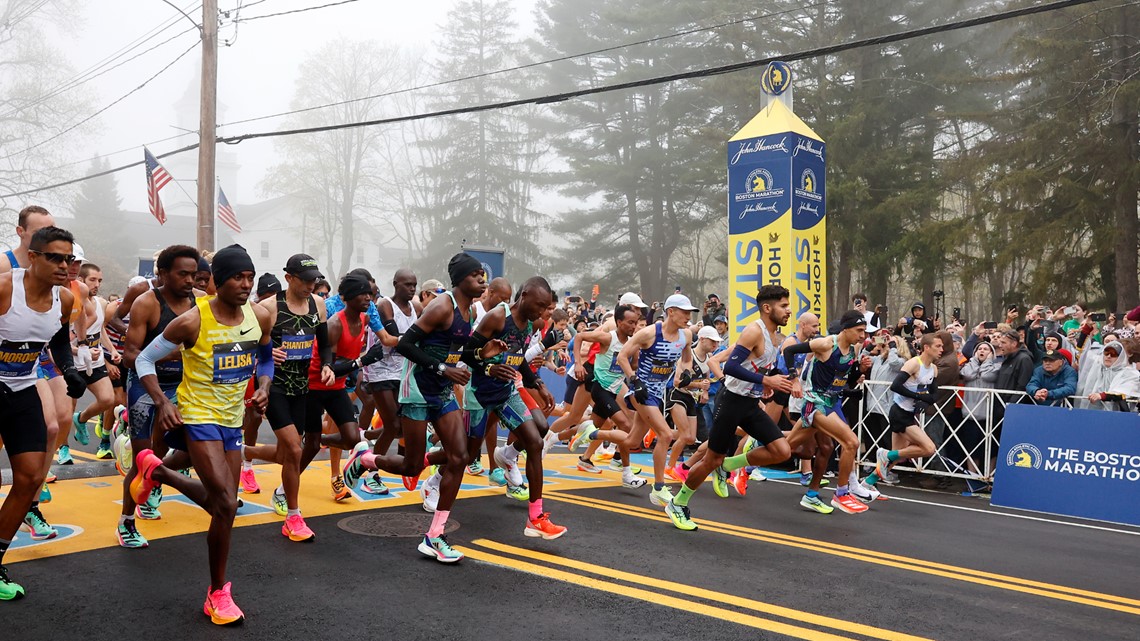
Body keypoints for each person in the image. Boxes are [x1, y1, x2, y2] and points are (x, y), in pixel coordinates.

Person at [131, 244, 273, 625]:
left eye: (250, 278)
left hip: (231, 420)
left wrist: (263, 386)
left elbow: (265, 355)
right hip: (197, 416)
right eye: (237, 278)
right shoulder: (193, 321)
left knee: (221, 509)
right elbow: (143, 358)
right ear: (215, 283)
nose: (245, 285)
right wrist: (162, 402)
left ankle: (157, 471)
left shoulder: (259, 315)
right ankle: (217, 593)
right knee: (227, 503)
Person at [343, 253, 485, 563]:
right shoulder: (442, 306)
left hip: (442, 391)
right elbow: (405, 345)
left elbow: (461, 351)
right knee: (410, 466)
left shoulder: (470, 311)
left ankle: (434, 536)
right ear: (460, 279)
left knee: (460, 456)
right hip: (418, 388)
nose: (482, 281)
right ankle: (366, 460)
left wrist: (484, 356)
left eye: (483, 276)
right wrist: (442, 369)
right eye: (476, 276)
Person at [0, 226, 85, 601]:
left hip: (21, 392)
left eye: (68, 258)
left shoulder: (65, 299)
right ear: (32, 257)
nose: (64, 265)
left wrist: (69, 370)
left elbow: (57, 339)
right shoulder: (5, 288)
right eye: (54, 257)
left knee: (31, 477)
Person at [664, 285, 794, 531]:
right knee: (710, 459)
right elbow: (732, 368)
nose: (789, 311)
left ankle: (730, 466)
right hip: (731, 400)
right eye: (784, 306)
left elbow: (757, 366)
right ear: (768, 308)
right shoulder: (753, 331)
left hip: (750, 403)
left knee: (782, 450)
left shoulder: (775, 335)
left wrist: (766, 382)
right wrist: (766, 381)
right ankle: (678, 503)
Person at [453, 276, 563, 538]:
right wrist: (490, 367)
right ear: (523, 296)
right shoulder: (497, 317)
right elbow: (465, 353)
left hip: (505, 393)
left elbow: (518, 360)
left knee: (536, 441)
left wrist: (538, 382)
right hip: (479, 393)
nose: (541, 313)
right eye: (538, 305)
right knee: (467, 457)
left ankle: (535, 517)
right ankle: (431, 477)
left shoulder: (529, 324)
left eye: (545, 307)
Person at [241, 254, 332, 542]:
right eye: (305, 280)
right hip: (274, 385)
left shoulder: (318, 303)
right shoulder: (268, 308)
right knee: (294, 450)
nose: (310, 285)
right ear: (289, 278)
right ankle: (293, 516)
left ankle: (246, 452)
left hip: (301, 387)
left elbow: (324, 341)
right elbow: (245, 347)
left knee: (286, 454)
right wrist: (263, 357)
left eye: (314, 280)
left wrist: (327, 364)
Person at [117, 245, 201, 545]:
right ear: (163, 273)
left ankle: (158, 477)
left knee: (195, 449)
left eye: (194, 274)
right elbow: (129, 356)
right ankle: (126, 520)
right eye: (183, 274)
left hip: (184, 387)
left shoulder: (201, 303)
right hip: (145, 384)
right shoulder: (146, 303)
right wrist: (174, 353)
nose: (190, 280)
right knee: (144, 459)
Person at [783, 310, 869, 514]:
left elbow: (839, 378)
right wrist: (794, 378)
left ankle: (811, 495)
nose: (863, 336)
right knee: (851, 442)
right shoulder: (826, 344)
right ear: (846, 329)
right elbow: (789, 352)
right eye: (859, 331)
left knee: (792, 447)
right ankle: (841, 494)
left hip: (832, 402)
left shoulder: (854, 349)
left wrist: (858, 374)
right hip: (816, 402)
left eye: (864, 331)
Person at [568, 304, 650, 489]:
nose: (633, 326)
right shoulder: (607, 337)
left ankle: (554, 439)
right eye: (630, 322)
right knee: (626, 425)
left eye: (635, 323)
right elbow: (579, 336)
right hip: (600, 388)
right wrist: (578, 363)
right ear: (619, 322)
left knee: (592, 422)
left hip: (613, 389)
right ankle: (626, 473)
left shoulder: (632, 344)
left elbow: (634, 365)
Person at [858, 333, 942, 497]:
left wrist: (925, 402)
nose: (942, 349)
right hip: (899, 412)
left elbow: (934, 394)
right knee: (929, 448)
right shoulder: (913, 364)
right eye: (938, 346)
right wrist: (918, 397)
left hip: (909, 413)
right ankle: (885, 453)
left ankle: (867, 483)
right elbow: (896, 386)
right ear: (926, 347)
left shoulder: (933, 369)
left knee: (895, 457)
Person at [1082, 340, 1140, 410]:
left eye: (1113, 354)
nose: (1109, 356)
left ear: (1122, 356)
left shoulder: (1131, 374)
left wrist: (1102, 396)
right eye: (1106, 353)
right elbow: (1083, 356)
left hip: (1120, 416)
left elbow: (1124, 393)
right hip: (1095, 413)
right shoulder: (1099, 368)